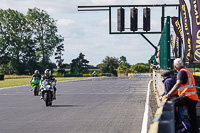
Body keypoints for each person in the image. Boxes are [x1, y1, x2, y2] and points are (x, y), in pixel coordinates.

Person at [162, 58, 199, 133]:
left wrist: (168, 94)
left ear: (175, 67)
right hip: (193, 98)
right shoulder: (187, 71)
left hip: (187, 97)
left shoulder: (181, 72)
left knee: (170, 103)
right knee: (192, 118)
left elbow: (178, 84)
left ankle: (178, 121)